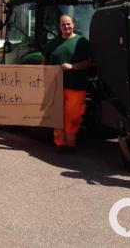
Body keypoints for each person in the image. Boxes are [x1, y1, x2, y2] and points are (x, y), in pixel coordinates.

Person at [44, 14, 91, 153]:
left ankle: (70, 143)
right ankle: (59, 143)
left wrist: (72, 66)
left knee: (73, 116)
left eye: (68, 24)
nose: (66, 27)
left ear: (73, 25)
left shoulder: (82, 42)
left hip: (76, 86)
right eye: (63, 25)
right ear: (59, 27)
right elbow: (45, 62)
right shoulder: (52, 44)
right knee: (57, 115)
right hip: (56, 87)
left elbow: (88, 63)